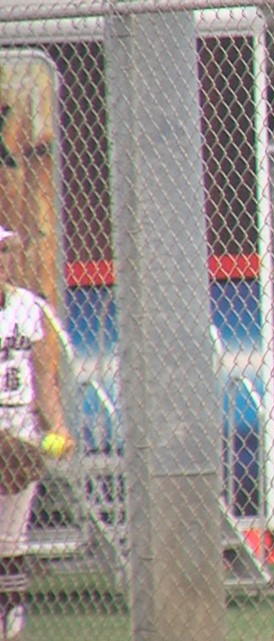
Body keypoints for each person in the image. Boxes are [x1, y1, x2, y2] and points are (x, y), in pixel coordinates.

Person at [0, 224, 72, 640]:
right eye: (0, 250)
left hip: (19, 423)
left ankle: (11, 625)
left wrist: (57, 423)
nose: (5, 258)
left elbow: (44, 374)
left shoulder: (28, 307)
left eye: (9, 250)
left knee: (12, 537)